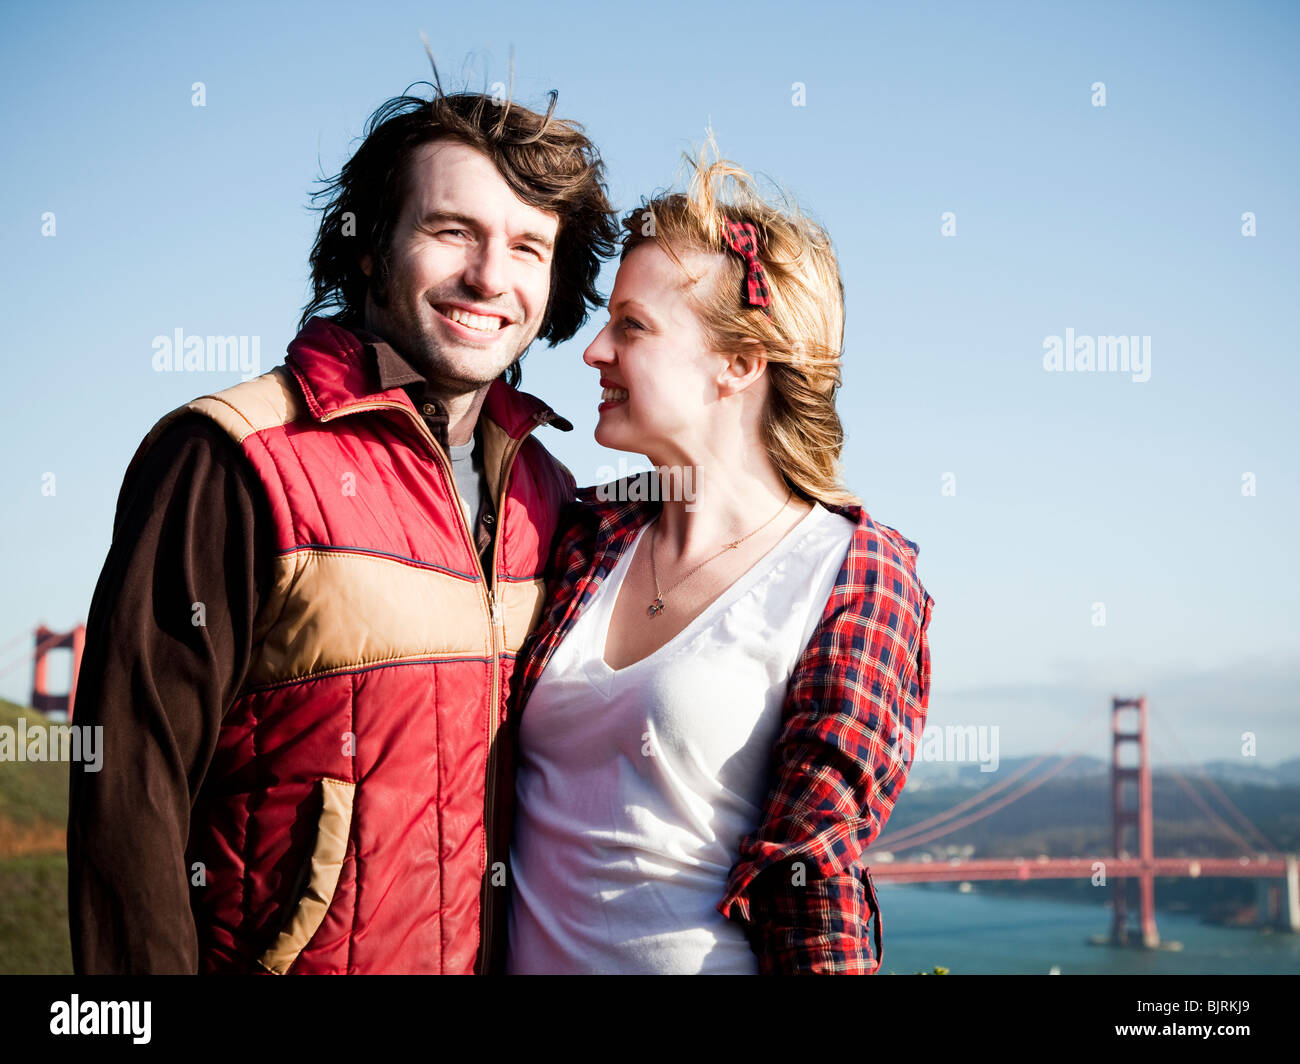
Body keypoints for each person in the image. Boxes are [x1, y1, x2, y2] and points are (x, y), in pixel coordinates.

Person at [66, 83, 617, 974]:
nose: (490, 276)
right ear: (367, 250)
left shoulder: (551, 498)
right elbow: (130, 793)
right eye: (452, 232)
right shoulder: (234, 458)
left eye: (527, 246)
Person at [505, 147, 935, 974]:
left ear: (739, 364)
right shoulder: (580, 531)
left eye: (631, 326)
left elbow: (810, 873)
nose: (594, 351)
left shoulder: (855, 575)